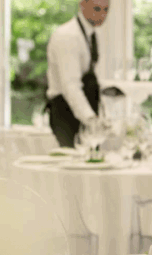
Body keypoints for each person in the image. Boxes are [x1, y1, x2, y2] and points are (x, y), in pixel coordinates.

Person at [45, 0, 109, 148]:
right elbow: (70, 86)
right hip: (65, 112)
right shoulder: (68, 36)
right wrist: (91, 119)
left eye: (106, 10)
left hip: (84, 109)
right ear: (82, 4)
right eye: (97, 9)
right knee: (73, 160)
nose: (102, 14)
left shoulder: (92, 34)